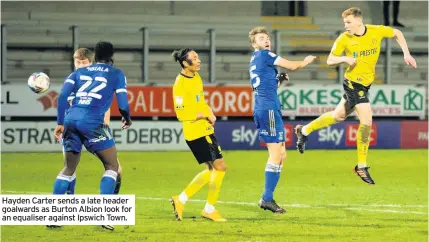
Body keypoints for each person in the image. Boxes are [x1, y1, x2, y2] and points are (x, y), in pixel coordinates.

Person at [295, 7, 416, 185]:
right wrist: (344, 59)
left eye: (349, 22)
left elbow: (397, 32)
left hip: (366, 84)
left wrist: (406, 53)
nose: (346, 26)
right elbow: (330, 60)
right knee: (366, 121)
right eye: (344, 23)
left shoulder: (375, 31)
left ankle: (303, 130)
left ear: (359, 21)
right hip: (353, 83)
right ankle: (361, 165)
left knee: (338, 116)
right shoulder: (344, 38)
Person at [51, 41, 132, 230]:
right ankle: (104, 216)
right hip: (93, 122)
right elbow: (122, 103)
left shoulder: (77, 73)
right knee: (112, 166)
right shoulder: (117, 74)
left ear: (94, 57)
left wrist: (60, 123)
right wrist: (126, 117)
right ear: (112, 57)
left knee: (68, 169)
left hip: (71, 120)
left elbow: (62, 97)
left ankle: (53, 217)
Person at [248, 26, 316, 213]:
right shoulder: (264, 55)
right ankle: (266, 199)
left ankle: (267, 197)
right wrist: (305, 61)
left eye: (267, 37)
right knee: (276, 154)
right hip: (267, 109)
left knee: (282, 155)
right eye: (261, 38)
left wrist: (278, 80)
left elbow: (263, 84)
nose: (266, 40)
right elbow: (293, 66)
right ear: (254, 44)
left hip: (270, 107)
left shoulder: (256, 59)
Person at [169, 48, 227, 222]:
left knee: (212, 170)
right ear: (185, 63)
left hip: (205, 129)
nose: (199, 60)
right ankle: (208, 209)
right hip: (196, 132)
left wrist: (210, 112)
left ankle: (181, 200)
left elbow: (200, 101)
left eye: (198, 57)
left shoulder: (196, 77)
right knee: (220, 167)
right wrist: (203, 115)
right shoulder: (179, 84)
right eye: (195, 58)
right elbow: (181, 114)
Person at [62, 48, 124, 196]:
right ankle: (69, 201)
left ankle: (111, 202)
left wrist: (105, 124)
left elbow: (105, 105)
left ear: (91, 63)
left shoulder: (96, 79)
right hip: (74, 128)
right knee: (69, 168)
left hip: (94, 128)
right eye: (78, 62)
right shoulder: (73, 79)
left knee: (116, 168)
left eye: (84, 62)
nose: (81, 65)